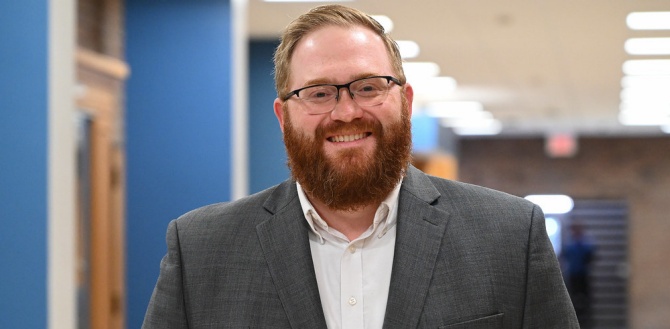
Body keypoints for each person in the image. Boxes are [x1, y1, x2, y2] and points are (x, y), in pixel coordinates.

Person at [142, 5, 579, 328]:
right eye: (318, 93)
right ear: (283, 116)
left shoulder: (508, 237)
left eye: (369, 87)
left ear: (405, 103)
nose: (346, 111)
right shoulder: (202, 251)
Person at [562, 222, 596, 327]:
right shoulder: (569, 245)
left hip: (583, 276)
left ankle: (585, 322)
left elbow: (590, 257)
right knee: (573, 299)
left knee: (585, 301)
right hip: (573, 276)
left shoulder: (586, 244)